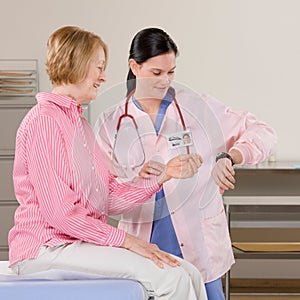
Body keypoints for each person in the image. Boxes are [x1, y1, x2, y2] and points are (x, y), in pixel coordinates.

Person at [7, 26, 208, 300]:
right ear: (74, 64)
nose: (103, 77)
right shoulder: (45, 121)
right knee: (170, 278)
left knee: (188, 272)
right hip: (46, 249)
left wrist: (160, 177)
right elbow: (60, 213)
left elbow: (107, 199)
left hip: (76, 245)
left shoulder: (79, 125)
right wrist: (128, 242)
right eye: (98, 67)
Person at [96, 27, 277, 300]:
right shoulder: (111, 123)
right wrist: (136, 180)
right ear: (134, 66)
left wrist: (230, 156)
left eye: (171, 72)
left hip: (199, 247)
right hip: (145, 248)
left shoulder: (198, 108)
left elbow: (263, 132)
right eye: (156, 73)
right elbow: (103, 193)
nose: (165, 81)